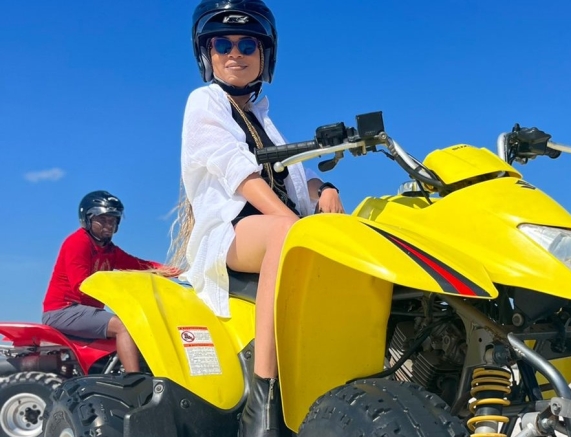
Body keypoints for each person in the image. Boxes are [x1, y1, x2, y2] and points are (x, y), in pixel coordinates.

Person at [168, 1, 345, 436]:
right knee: (286, 231)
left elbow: (289, 177)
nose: (236, 52)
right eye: (222, 43)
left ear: (265, 54)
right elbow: (240, 173)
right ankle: (263, 397)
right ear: (205, 54)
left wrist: (325, 190)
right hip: (233, 234)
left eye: (248, 43)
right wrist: (298, 226)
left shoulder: (264, 119)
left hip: (276, 225)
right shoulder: (205, 102)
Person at [42, 190, 170, 374]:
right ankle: (134, 380)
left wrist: (173, 272)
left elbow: (139, 265)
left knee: (143, 324)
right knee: (124, 326)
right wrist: (121, 291)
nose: (108, 225)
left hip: (84, 312)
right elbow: (82, 284)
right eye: (102, 220)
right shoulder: (77, 242)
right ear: (87, 218)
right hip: (62, 310)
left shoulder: (109, 250)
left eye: (113, 220)